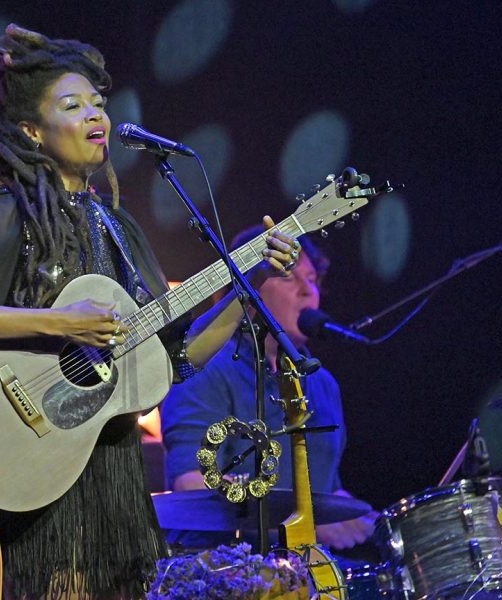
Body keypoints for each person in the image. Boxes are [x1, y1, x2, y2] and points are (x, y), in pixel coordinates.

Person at [0, 25, 300, 599]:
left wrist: (248, 285)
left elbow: (174, 358)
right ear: (32, 130)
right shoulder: (8, 209)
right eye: (72, 105)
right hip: (35, 465)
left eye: (98, 104)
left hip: (115, 478)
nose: (95, 115)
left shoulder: (120, 228)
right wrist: (59, 322)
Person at [160, 226, 376, 553]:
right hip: (227, 571)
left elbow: (326, 491)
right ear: (248, 290)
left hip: (308, 569)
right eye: (289, 277)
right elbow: (191, 484)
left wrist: (378, 522)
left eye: (313, 279)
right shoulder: (207, 372)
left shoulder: (323, 384)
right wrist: (307, 523)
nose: (308, 291)